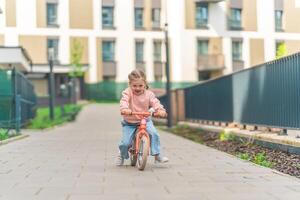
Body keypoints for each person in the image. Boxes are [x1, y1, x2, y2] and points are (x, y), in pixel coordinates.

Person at [116, 69, 169, 166]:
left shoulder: (149, 94)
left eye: (140, 85)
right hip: (130, 122)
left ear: (145, 84)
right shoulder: (127, 92)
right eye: (134, 86)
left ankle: (157, 156)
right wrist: (124, 108)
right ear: (130, 84)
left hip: (144, 120)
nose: (137, 88)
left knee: (154, 134)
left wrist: (160, 110)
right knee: (125, 143)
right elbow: (124, 101)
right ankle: (121, 155)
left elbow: (155, 103)